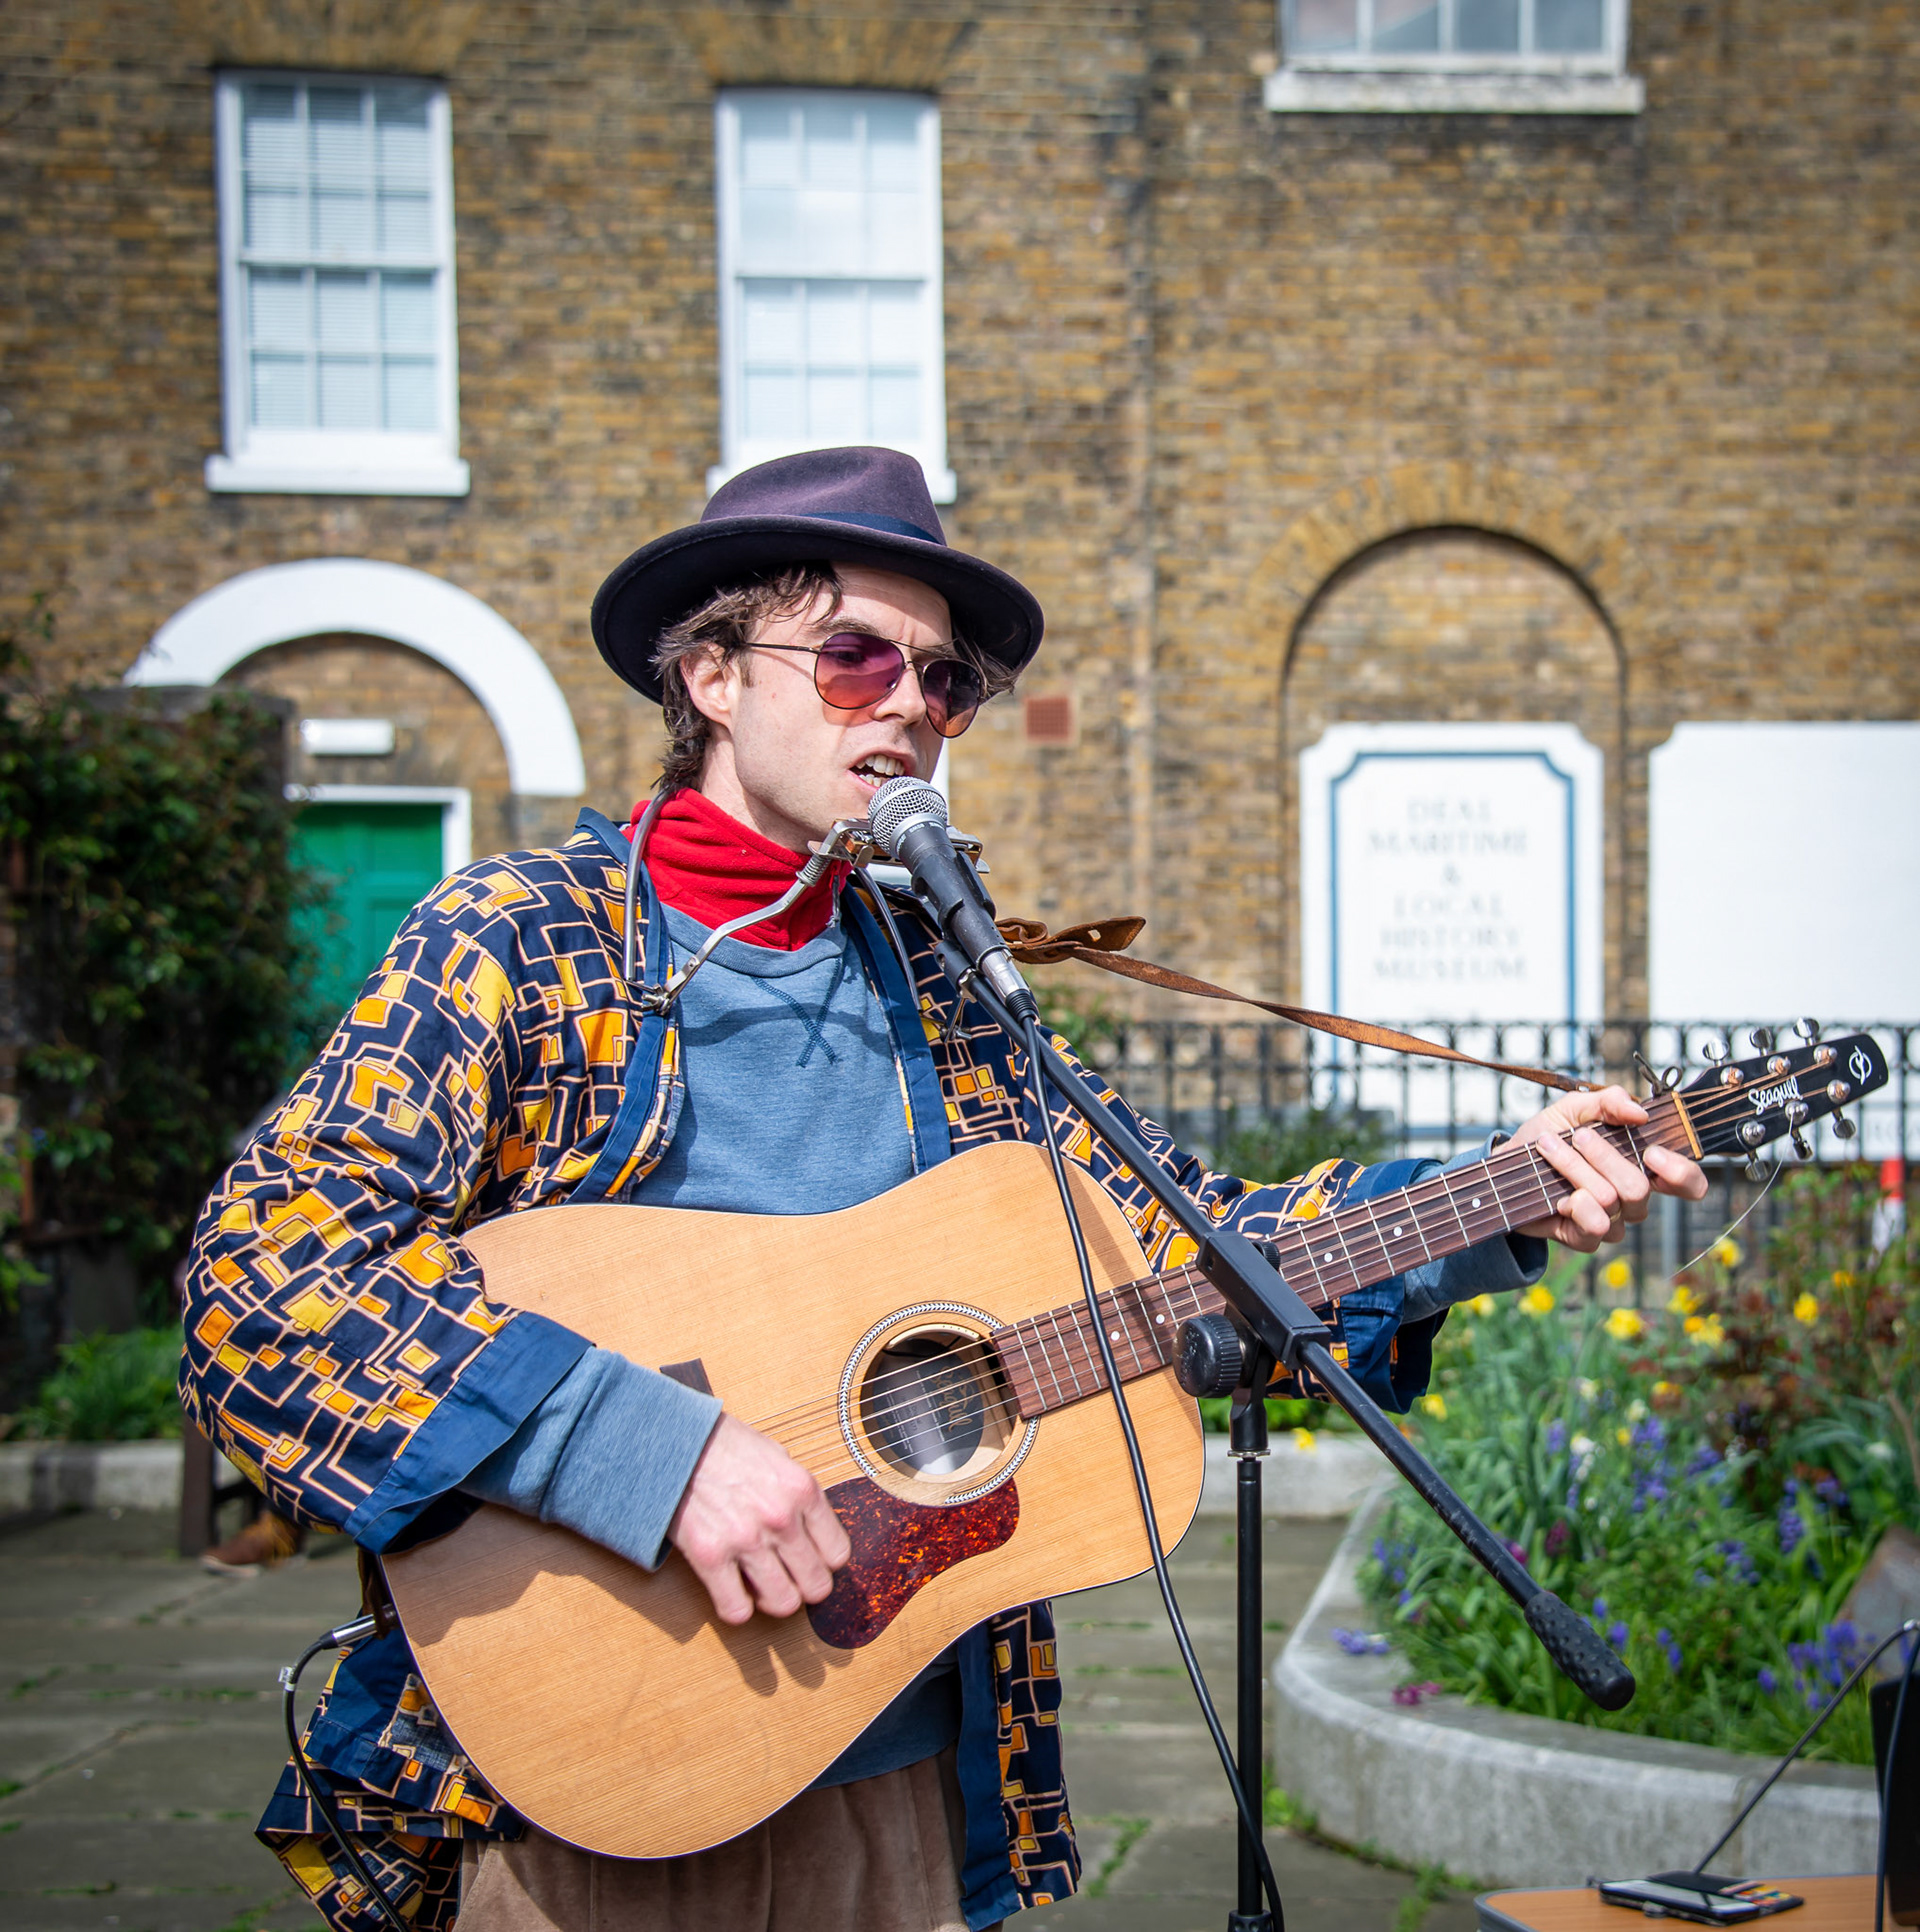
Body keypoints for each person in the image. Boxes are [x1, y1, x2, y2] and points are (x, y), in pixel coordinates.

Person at [177, 446, 1706, 1932]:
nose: (909, 706)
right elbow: (262, 1270)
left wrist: (1502, 1195)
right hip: (589, 1787)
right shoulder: (521, 936)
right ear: (709, 675)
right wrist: (644, 1449)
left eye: (944, 681)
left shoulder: (947, 988)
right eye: (853, 659)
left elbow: (1196, 1245)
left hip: (898, 1783)